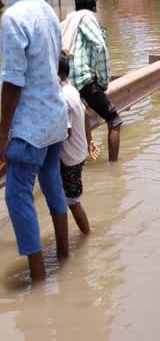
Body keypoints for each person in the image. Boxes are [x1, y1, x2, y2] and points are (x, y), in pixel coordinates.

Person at [0, 0, 70, 282]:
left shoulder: (12, 18)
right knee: (52, 183)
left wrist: (2, 135)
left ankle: (39, 278)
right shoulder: (47, 11)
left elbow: (11, 84)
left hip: (30, 128)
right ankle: (65, 254)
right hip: (56, 119)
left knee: (17, 196)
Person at [61, 0, 122, 161]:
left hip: (65, 80)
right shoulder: (87, 17)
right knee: (114, 120)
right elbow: (100, 47)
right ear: (93, 8)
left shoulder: (68, 20)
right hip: (83, 78)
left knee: (82, 113)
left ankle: (83, 152)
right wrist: (103, 80)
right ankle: (114, 167)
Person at [58, 51, 95, 235]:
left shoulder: (62, 98)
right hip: (79, 154)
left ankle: (87, 234)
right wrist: (89, 141)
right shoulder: (71, 89)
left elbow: (67, 131)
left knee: (73, 202)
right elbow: (87, 115)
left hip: (69, 159)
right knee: (70, 199)